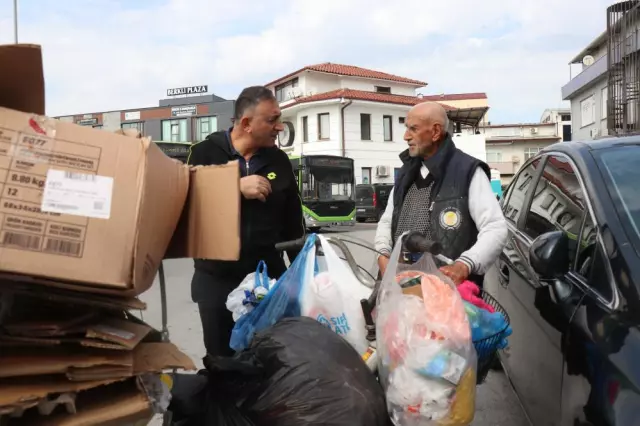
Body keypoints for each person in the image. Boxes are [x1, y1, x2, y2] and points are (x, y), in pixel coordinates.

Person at [187, 85, 305, 356]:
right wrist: (233, 187)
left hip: (267, 281)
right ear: (246, 124)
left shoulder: (279, 160)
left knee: (271, 360)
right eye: (272, 120)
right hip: (216, 280)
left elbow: (293, 224)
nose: (280, 127)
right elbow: (185, 202)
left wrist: (301, 276)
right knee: (222, 361)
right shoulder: (204, 153)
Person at [374, 102, 507, 287]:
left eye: (413, 129)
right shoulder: (405, 173)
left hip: (447, 294)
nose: (406, 136)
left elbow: (495, 227)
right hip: (402, 290)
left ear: (435, 132)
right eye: (406, 128)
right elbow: (388, 220)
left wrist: (464, 265)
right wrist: (382, 253)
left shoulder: (467, 172)